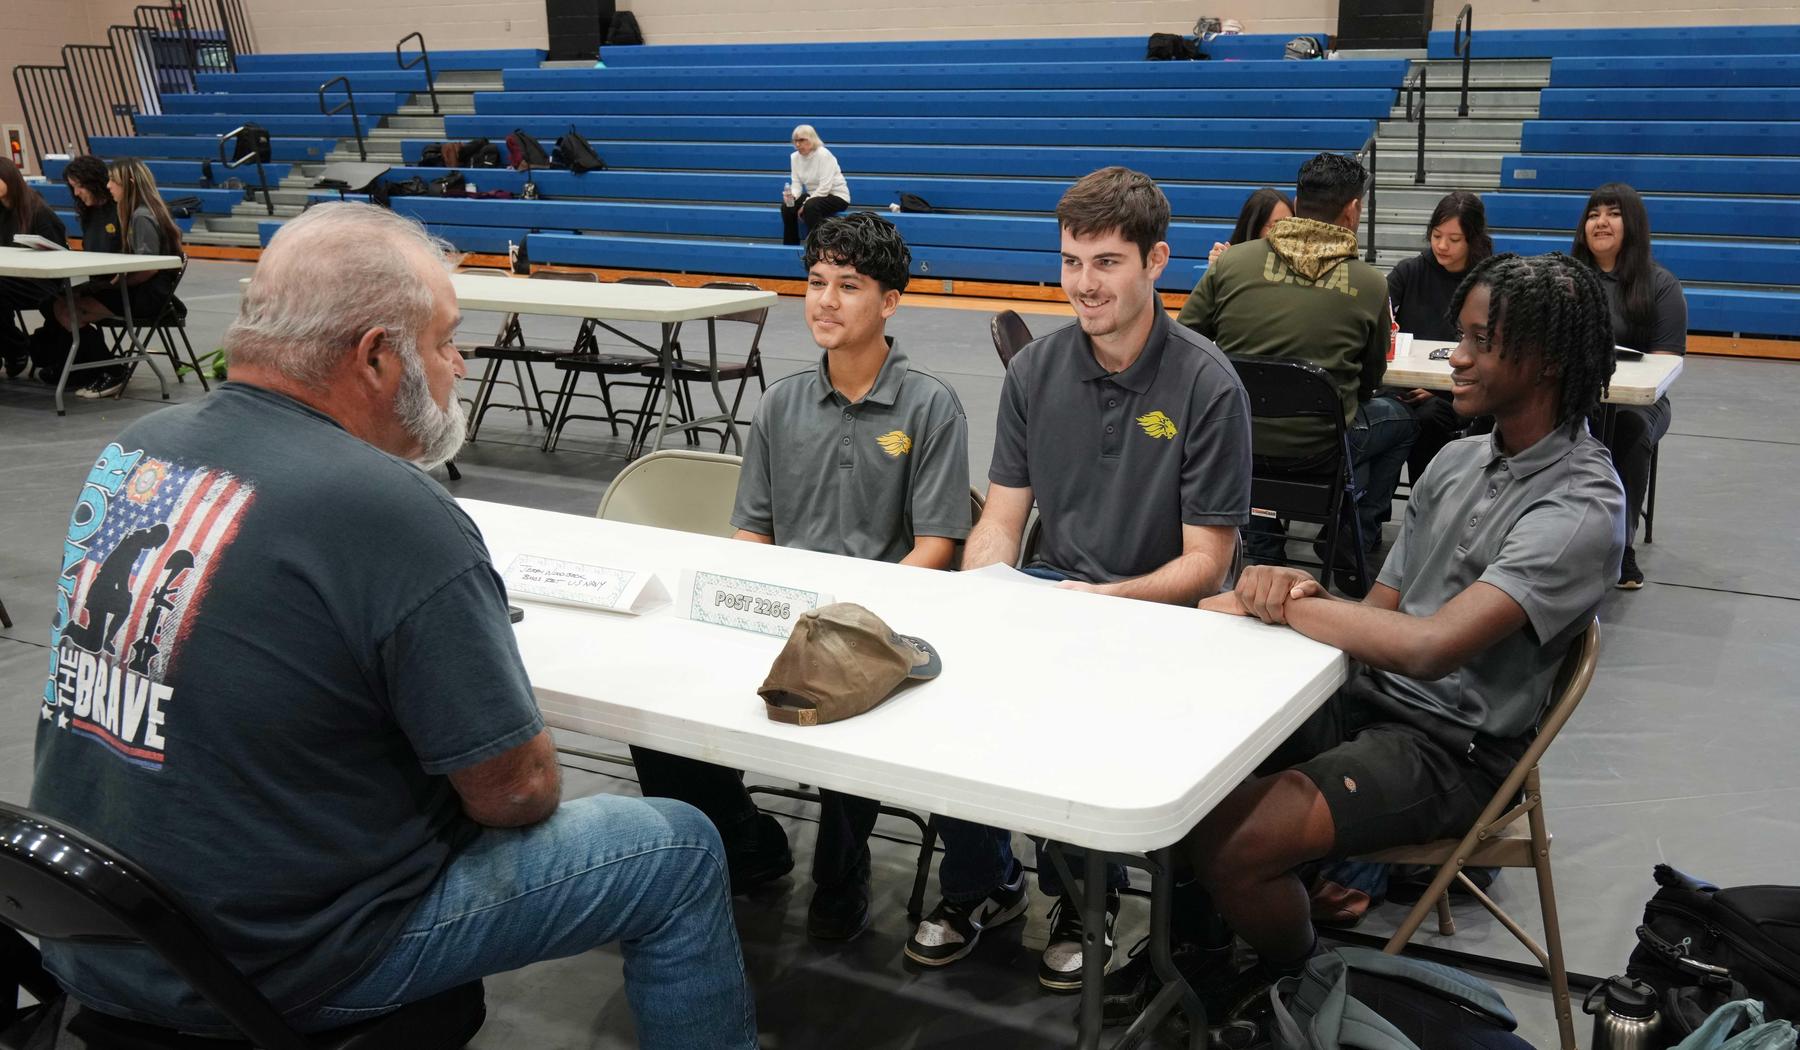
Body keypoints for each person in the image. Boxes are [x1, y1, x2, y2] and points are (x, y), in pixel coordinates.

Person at [30, 202, 757, 1048]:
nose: (460, 361)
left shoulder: (140, 448)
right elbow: (516, 795)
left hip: (95, 923)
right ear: (378, 355)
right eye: (446, 340)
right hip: (273, 963)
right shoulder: (389, 508)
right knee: (676, 849)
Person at [1106, 252, 1626, 1028]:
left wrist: (1285, 600)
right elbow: (1377, 618)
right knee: (1176, 762)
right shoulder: (1455, 460)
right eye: (1463, 336)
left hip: (1455, 748)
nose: (1457, 355)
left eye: (1481, 340)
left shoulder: (1580, 508)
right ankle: (1197, 960)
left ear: (1545, 361)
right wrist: (1267, 604)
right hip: (1370, 697)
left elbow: (1426, 648)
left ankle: (1300, 979)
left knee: (1232, 845)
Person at [936, 166, 1251, 992]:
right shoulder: (1035, 373)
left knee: (1082, 708)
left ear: (1157, 262)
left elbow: (1206, 563)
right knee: (954, 681)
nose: (1084, 283)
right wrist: (985, 590)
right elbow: (1002, 517)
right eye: (1073, 260)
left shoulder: (1208, 383)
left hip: (1168, 614)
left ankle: (1084, 901)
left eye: (1107, 262)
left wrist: (1098, 604)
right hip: (1058, 588)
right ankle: (980, 884)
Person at [629, 211, 971, 944]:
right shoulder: (782, 403)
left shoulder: (929, 405)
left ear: (889, 302)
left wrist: (851, 628)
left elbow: (938, 545)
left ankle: (840, 875)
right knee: (652, 715)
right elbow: (752, 532)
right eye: (816, 282)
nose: (825, 300)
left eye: (849, 286)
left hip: (878, 629)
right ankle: (749, 842)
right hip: (783, 612)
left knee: (847, 721)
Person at [1177, 151, 1416, 583]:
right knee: (1401, 420)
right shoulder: (1370, 283)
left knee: (1256, 417)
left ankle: (1264, 544)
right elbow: (1370, 380)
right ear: (1352, 210)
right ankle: (1350, 534)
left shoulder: (1232, 262)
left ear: (1297, 200)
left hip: (1233, 444)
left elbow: (1184, 343)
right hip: (1318, 453)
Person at [1571, 181, 1687, 590]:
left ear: (1633, 224)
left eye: (1613, 214)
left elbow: (1667, 362)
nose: (1600, 222)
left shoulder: (1660, 285)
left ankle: (1620, 544)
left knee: (1629, 429)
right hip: (1578, 393)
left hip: (1639, 402)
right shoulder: (1564, 278)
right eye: (1593, 214)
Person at [52, 158, 185, 399]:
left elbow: (148, 267)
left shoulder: (141, 216)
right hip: (139, 289)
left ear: (129, 183)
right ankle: (94, 368)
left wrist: (116, 284)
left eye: (113, 180)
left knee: (68, 309)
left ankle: (112, 370)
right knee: (62, 303)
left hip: (148, 295)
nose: (109, 185)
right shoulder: (134, 212)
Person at [1386, 190, 1495, 480]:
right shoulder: (1408, 272)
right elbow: (1380, 324)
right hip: (1403, 388)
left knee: (1430, 416)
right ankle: (1365, 516)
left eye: (1454, 239)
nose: (1442, 245)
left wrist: (1438, 389)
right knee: (1382, 415)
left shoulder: (1488, 280)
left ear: (1472, 239)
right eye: (1436, 235)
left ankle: (1429, 505)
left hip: (1458, 392)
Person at [0, 156, 68, 378]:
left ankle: (15, 347)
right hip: (11, 279)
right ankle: (12, 347)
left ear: (9, 179)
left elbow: (59, 256)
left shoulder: (38, 211)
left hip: (41, 282)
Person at [780, 124, 850, 246]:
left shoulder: (823, 154)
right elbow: (796, 184)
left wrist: (804, 204)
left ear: (812, 140)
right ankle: (790, 245)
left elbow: (825, 187)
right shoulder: (794, 157)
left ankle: (817, 246)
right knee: (787, 207)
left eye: (802, 140)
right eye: (795, 141)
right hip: (814, 195)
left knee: (810, 206)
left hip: (836, 195)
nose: (797, 144)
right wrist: (792, 196)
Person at [1207, 186, 1293, 266]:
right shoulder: (1233, 263)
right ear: (1255, 227)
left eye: (1292, 225)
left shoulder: (1300, 265)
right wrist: (1217, 270)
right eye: (1278, 225)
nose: (1287, 233)